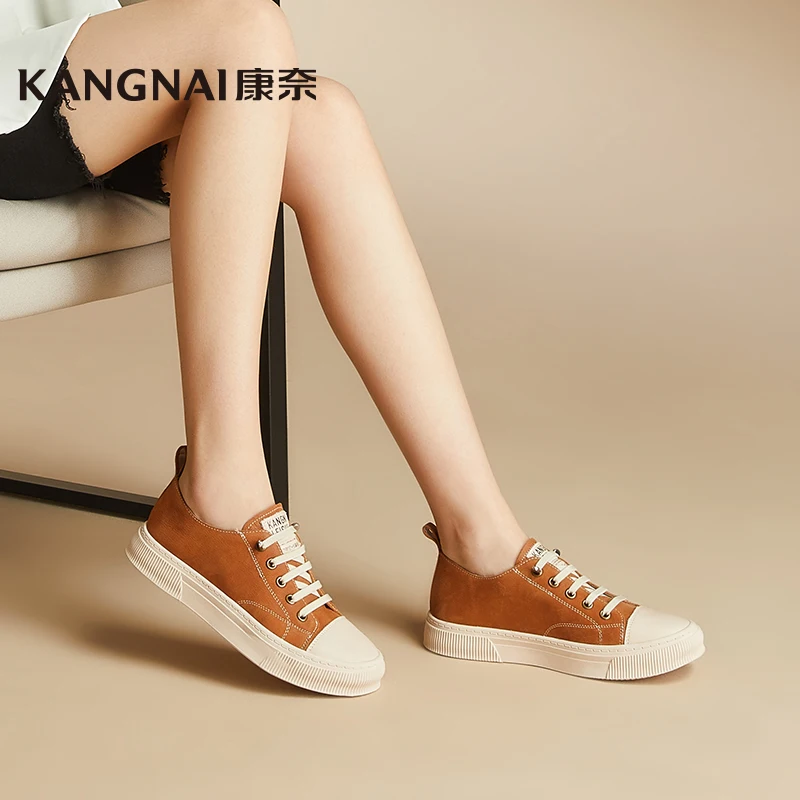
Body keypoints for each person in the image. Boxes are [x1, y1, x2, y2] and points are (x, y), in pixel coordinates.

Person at [0, 0, 704, 696]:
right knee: (241, 32)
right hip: (22, 73)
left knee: (322, 115)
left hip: (78, 57)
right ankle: (221, 493)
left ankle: (483, 556)